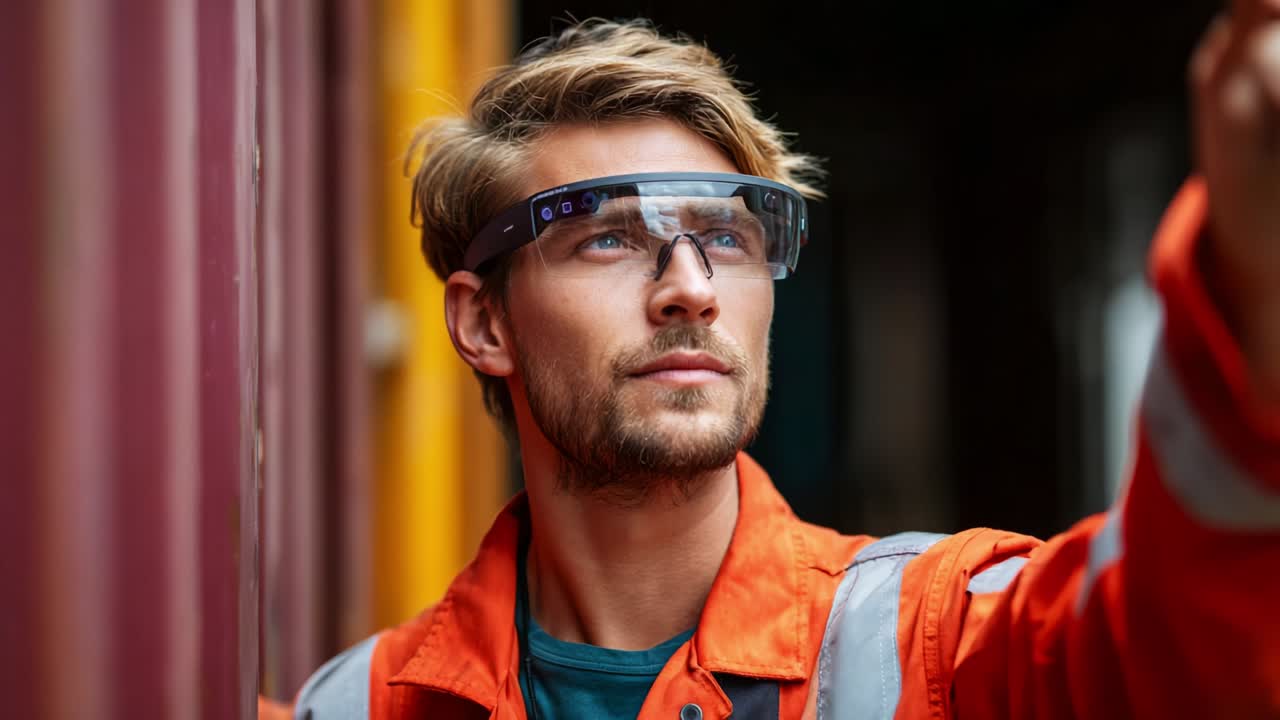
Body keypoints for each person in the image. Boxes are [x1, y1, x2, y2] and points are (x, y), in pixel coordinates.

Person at [270, 5, 1280, 719]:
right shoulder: (357, 706)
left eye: (726, 238)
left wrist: (1249, 280)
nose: (689, 287)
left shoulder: (930, 641)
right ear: (482, 323)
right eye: (607, 239)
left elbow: (1172, 650)